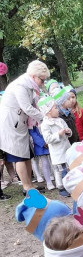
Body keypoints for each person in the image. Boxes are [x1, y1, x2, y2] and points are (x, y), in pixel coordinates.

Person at [0, 60, 50, 192]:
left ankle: (30, 185)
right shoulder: (21, 85)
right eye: (42, 79)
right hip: (12, 124)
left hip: (20, 124)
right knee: (19, 156)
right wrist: (44, 117)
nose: (43, 83)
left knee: (27, 155)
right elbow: (27, 108)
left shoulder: (29, 84)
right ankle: (27, 188)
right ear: (34, 76)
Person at [38, 96, 72, 197]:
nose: (58, 109)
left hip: (66, 148)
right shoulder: (45, 124)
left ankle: (70, 184)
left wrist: (68, 131)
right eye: (56, 108)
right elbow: (47, 139)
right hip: (58, 152)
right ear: (48, 111)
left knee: (68, 167)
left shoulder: (60, 120)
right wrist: (58, 134)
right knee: (61, 170)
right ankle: (61, 187)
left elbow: (67, 129)